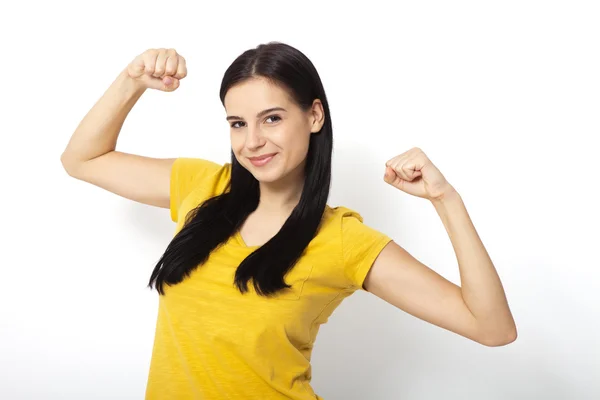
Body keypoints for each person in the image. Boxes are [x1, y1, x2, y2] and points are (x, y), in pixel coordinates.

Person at [61, 42, 517, 399]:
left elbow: (492, 327)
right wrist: (132, 80)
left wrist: (446, 198)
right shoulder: (203, 187)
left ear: (314, 115)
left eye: (272, 119)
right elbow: (82, 159)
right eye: (237, 123)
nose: (252, 141)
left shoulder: (341, 240)